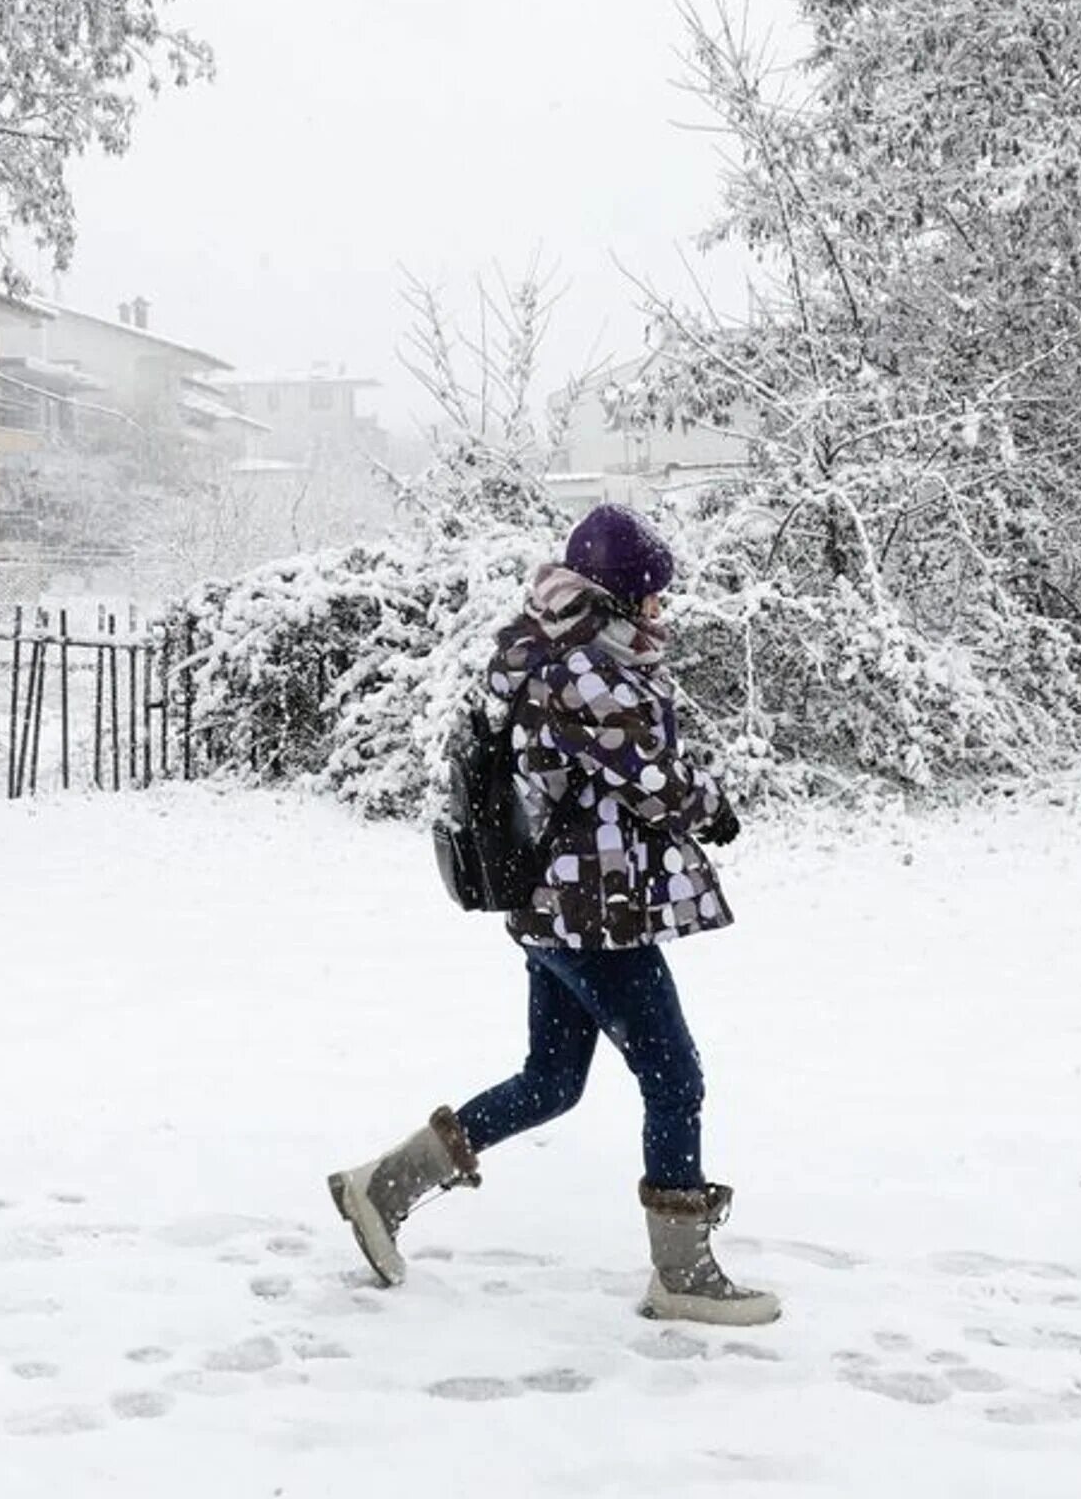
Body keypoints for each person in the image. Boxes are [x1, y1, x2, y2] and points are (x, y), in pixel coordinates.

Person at [327, 503, 779, 1326]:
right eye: (650, 599)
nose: (660, 613)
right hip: (588, 911)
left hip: (558, 903)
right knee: (674, 1077)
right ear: (612, 600)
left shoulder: (555, 655)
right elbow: (651, 775)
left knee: (551, 1082)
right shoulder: (582, 673)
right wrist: (711, 806)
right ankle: (682, 1274)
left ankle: (380, 1188)